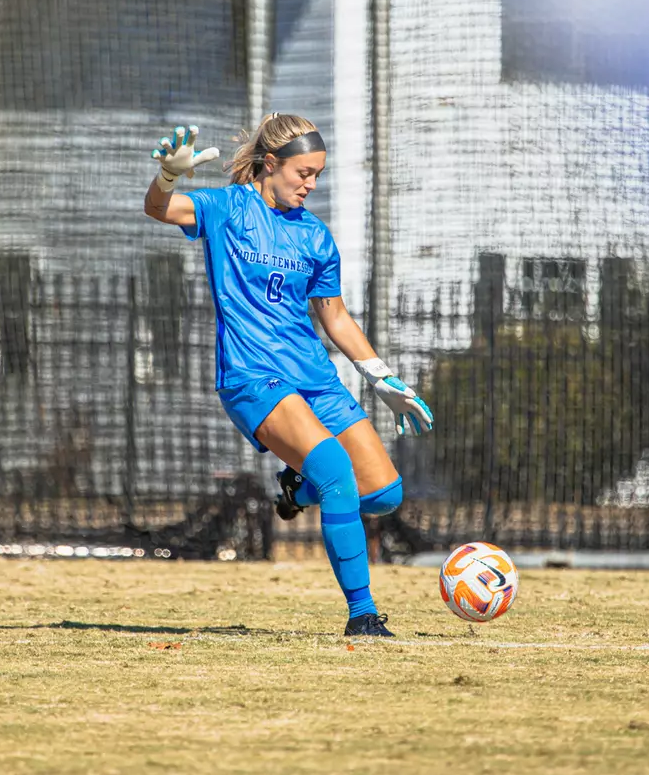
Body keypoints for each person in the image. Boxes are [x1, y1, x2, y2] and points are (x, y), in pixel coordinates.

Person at [142, 114, 433, 637]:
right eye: (304, 172)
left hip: (315, 380)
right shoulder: (229, 208)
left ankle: (296, 488)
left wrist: (382, 378)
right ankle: (363, 616)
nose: (311, 184)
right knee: (337, 474)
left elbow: (335, 317)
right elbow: (158, 208)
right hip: (254, 378)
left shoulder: (316, 237)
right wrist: (168, 176)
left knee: (385, 493)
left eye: (318, 174)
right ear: (270, 164)